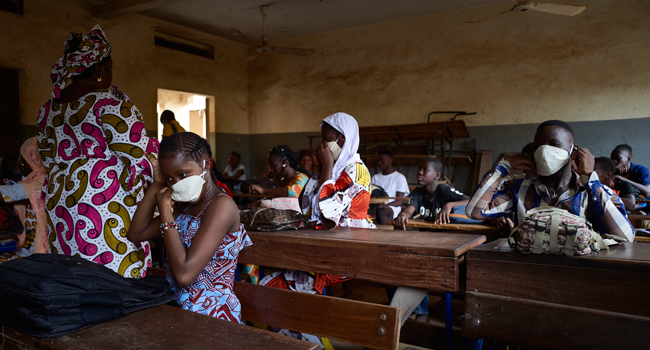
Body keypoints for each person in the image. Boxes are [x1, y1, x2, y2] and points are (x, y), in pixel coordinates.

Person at [37, 25, 159, 277]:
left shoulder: (47, 109)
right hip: (105, 198)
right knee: (113, 272)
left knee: (75, 273)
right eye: (110, 66)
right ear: (99, 69)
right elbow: (139, 154)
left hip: (61, 199)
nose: (111, 72)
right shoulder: (109, 102)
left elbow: (46, 156)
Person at [127, 132, 251, 323]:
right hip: (177, 309)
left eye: (183, 175)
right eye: (169, 178)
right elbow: (137, 233)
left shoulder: (221, 206)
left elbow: (185, 276)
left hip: (212, 315)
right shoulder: (184, 205)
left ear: (206, 165)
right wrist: (156, 186)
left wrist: (165, 212)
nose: (177, 184)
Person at [466, 120, 633, 242]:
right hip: (526, 272)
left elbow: (626, 236)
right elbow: (474, 211)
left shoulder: (593, 191)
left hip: (578, 275)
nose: (545, 150)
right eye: (539, 145)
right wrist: (503, 167)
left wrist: (591, 180)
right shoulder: (517, 187)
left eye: (555, 144)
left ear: (572, 150)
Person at [299, 112, 374, 230]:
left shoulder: (357, 171)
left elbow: (328, 211)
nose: (323, 144)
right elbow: (307, 207)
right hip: (334, 233)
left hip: (352, 234)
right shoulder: (336, 167)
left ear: (344, 138)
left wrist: (327, 165)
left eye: (326, 139)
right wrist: (319, 168)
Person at [0, 138, 49, 262]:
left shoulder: (39, 182)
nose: (20, 164)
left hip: (35, 248)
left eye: (23, 160)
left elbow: (6, 194)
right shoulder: (40, 179)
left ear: (34, 159)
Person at [394, 158, 471, 230]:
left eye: (425, 170)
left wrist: (449, 205)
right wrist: (403, 215)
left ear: (437, 175)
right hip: (426, 234)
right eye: (419, 169)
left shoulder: (444, 190)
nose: (420, 172)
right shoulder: (418, 192)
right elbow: (408, 211)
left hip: (445, 233)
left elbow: (470, 200)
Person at [371, 149, 410, 225]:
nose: (379, 163)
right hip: (376, 207)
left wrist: (383, 205)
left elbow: (399, 201)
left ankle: (385, 234)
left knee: (382, 211)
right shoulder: (375, 178)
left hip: (392, 208)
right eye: (378, 160)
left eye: (382, 160)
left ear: (390, 160)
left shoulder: (399, 177)